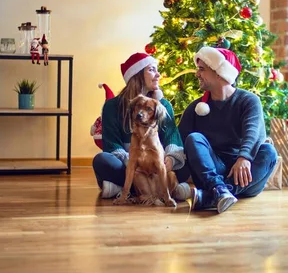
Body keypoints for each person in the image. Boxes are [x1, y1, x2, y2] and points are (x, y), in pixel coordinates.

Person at [179, 46, 278, 214]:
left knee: (268, 151)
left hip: (245, 176)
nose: (197, 74)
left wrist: (244, 157)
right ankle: (218, 190)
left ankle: (213, 196)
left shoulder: (249, 101)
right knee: (194, 138)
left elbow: (253, 133)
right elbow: (179, 143)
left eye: (202, 69)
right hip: (211, 173)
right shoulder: (196, 108)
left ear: (219, 73)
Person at [93, 52, 190, 201]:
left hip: (158, 167)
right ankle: (142, 187)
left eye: (157, 70)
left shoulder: (162, 105)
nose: (158, 75)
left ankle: (122, 188)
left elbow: (172, 136)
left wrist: (170, 159)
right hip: (130, 165)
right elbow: (111, 144)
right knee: (102, 160)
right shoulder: (112, 106)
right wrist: (134, 163)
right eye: (151, 69)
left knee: (186, 161)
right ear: (136, 74)